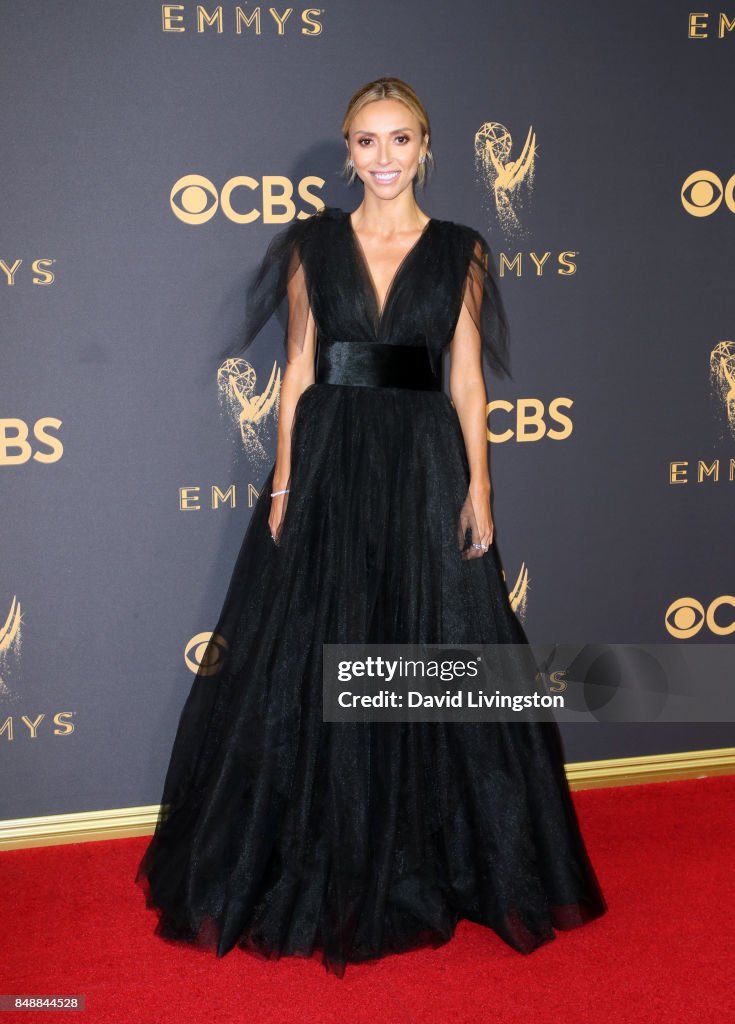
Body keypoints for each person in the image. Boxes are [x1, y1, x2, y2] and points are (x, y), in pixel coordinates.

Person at [135, 76, 607, 978]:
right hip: (332, 462)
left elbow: (466, 379)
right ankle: (320, 848)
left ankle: (440, 850)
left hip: (427, 462)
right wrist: (280, 488)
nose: (382, 158)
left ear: (426, 146)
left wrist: (482, 487)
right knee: (316, 649)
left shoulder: (461, 250)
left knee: (443, 650)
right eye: (365, 141)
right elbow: (300, 367)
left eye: (399, 140)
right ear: (346, 151)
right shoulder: (313, 244)